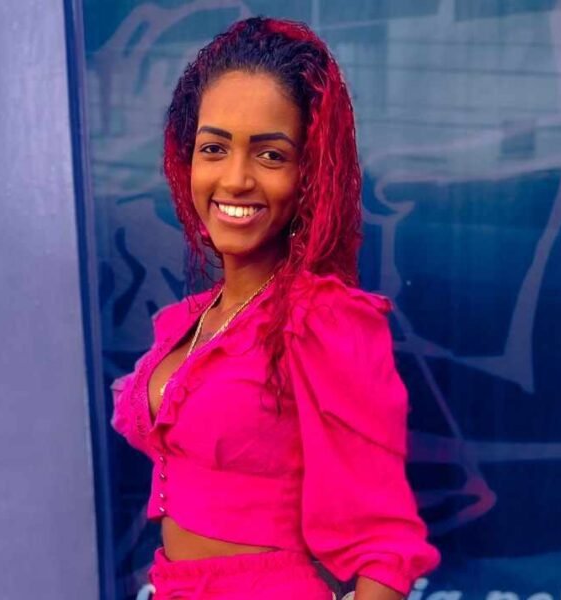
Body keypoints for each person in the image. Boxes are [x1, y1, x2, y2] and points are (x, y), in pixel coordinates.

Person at [111, 16, 440, 599]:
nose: (235, 179)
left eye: (269, 155)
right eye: (214, 148)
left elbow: (386, 547)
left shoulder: (324, 318)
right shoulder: (192, 320)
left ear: (308, 174)